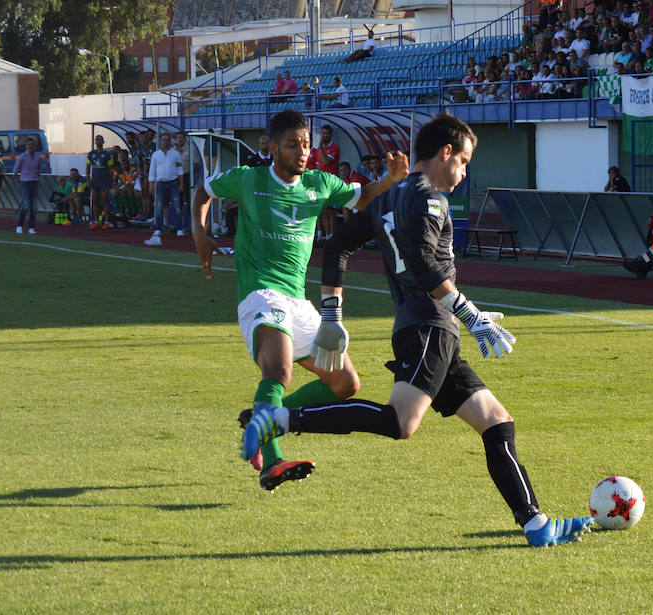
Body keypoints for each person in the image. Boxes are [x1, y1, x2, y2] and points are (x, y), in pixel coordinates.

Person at [241, 112, 594, 547]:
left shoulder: (390, 195)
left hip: (428, 330)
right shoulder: (429, 196)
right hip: (430, 327)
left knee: (496, 421)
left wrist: (332, 314)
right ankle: (280, 418)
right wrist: (470, 314)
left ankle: (537, 526)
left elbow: (337, 245)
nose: (463, 174)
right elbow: (426, 264)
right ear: (444, 153)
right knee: (400, 423)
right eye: (463, 162)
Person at [190, 109, 409, 491]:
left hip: (298, 301)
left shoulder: (319, 183)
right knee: (278, 372)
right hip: (260, 295)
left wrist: (388, 179)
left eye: (306, 145)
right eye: (293, 145)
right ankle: (271, 463)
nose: (302, 152)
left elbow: (362, 198)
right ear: (272, 147)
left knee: (344, 383)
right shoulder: (247, 178)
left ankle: (266, 419)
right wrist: (199, 232)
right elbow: (202, 192)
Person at [144, 133, 184, 246]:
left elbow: (180, 169)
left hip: (173, 183)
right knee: (159, 207)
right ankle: (158, 228)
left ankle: (179, 229)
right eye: (164, 140)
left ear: (170, 142)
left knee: (177, 207)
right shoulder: (155, 155)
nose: (165, 142)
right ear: (160, 142)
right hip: (160, 184)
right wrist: (151, 185)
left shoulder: (175, 154)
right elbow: (152, 171)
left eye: (167, 140)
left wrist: (181, 185)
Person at [13, 137, 41, 235]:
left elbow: (38, 169)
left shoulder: (38, 157)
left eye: (32, 144)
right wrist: (19, 182)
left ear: (35, 146)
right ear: (26, 146)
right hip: (24, 182)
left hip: (34, 182)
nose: (31, 146)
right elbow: (15, 171)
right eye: (29, 144)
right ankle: (19, 226)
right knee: (26, 205)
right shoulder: (22, 157)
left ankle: (31, 227)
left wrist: (37, 176)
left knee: (34, 206)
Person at [86, 134, 115, 230]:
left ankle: (106, 222)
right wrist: (88, 180)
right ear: (95, 142)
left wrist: (110, 181)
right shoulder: (91, 154)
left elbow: (111, 169)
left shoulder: (107, 154)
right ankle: (96, 222)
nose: (98, 141)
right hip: (95, 181)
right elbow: (88, 168)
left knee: (105, 201)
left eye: (100, 139)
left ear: (103, 142)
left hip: (104, 181)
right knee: (95, 202)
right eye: (97, 139)